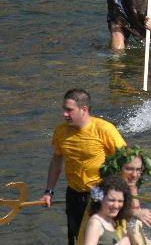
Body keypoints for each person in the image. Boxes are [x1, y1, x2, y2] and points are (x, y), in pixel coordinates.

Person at [41, 89, 126, 245]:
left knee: (103, 239)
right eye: (64, 109)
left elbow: (127, 161)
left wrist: (128, 195)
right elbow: (57, 159)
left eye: (69, 110)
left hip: (100, 194)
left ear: (84, 109)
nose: (64, 114)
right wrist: (49, 190)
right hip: (73, 194)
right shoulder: (61, 131)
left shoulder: (104, 129)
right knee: (76, 238)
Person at [78, 146, 151, 245]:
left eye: (138, 169)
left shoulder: (129, 189)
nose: (134, 175)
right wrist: (135, 213)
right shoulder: (104, 190)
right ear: (117, 169)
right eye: (129, 169)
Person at [84, 175, 132, 245]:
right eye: (111, 200)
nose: (116, 205)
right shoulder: (96, 223)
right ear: (101, 199)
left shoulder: (111, 221)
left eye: (120, 201)